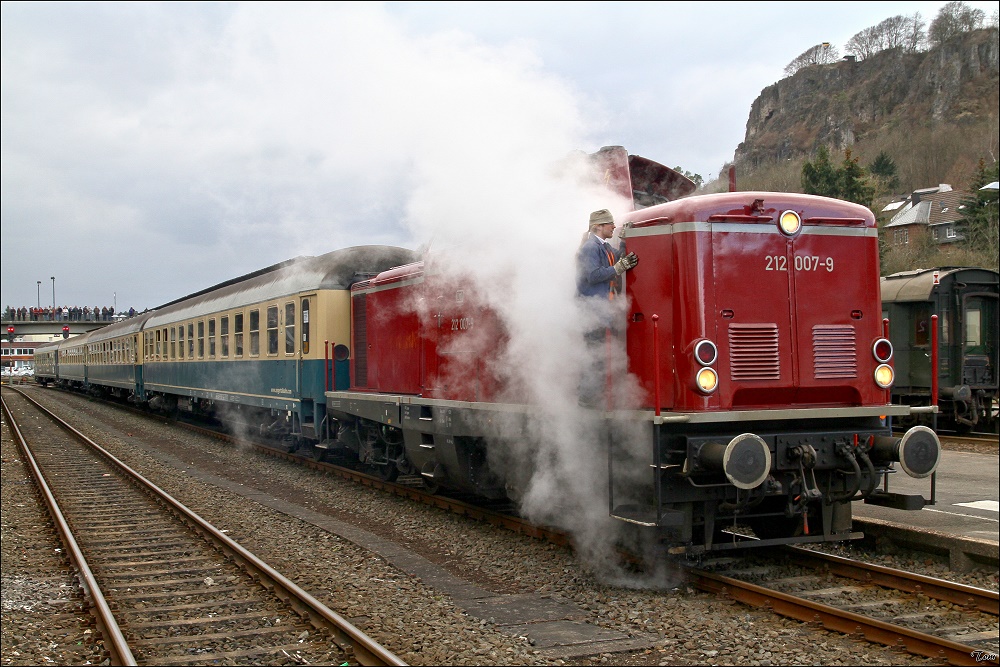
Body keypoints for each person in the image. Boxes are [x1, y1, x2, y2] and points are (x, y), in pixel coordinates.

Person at [576, 209, 638, 407]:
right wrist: (619, 268)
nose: (613, 226)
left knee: (600, 357)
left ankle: (594, 398)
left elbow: (617, 258)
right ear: (598, 227)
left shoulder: (603, 246)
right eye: (609, 224)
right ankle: (587, 400)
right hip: (592, 312)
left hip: (602, 311)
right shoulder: (590, 248)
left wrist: (623, 241)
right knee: (594, 356)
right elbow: (593, 275)